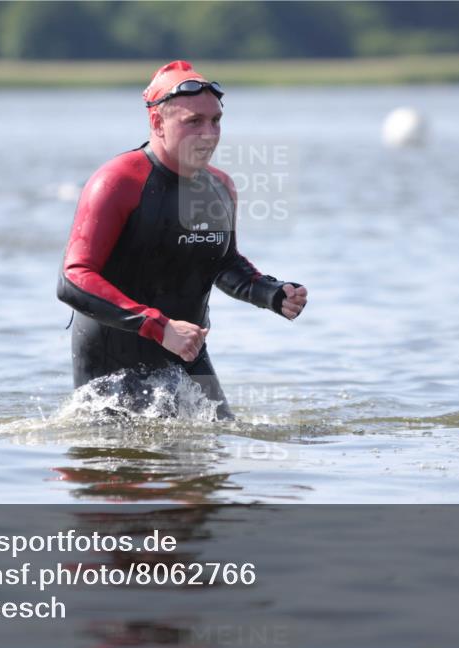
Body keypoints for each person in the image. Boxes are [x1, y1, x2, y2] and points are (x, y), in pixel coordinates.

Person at [57, 60, 307, 419]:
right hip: (114, 356)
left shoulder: (220, 187)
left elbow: (221, 263)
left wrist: (272, 292)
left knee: (217, 449)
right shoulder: (116, 182)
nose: (209, 133)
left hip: (187, 350)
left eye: (216, 121)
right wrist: (157, 326)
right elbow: (72, 279)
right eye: (194, 122)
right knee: (131, 466)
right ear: (157, 123)